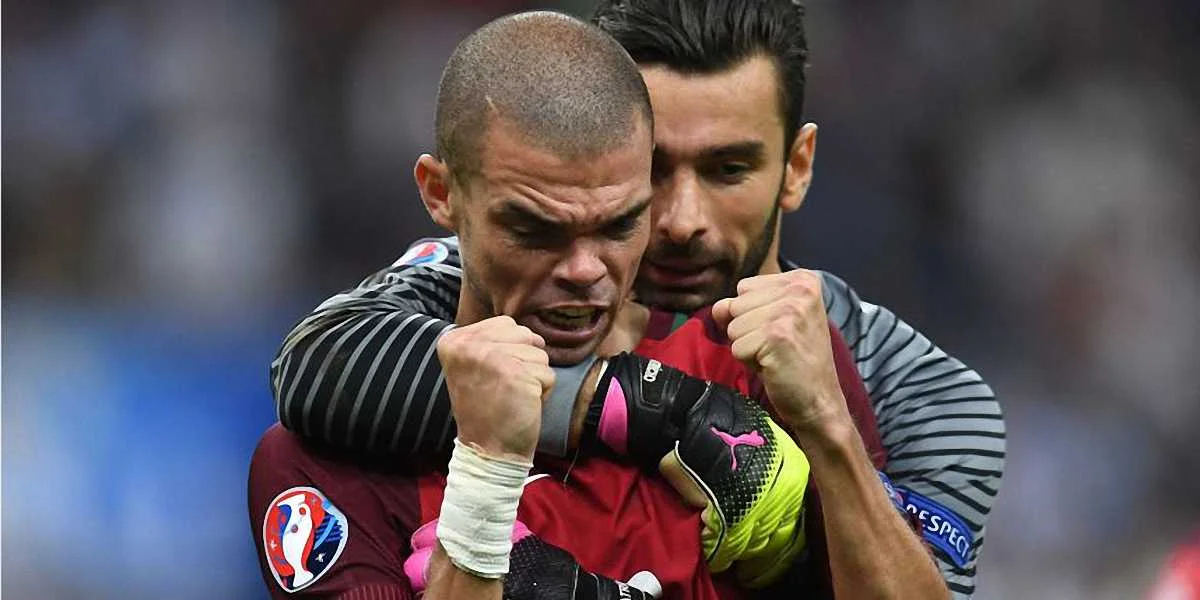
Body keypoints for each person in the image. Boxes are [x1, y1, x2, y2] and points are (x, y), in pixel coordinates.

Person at [272, 0, 1005, 597]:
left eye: (727, 168)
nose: (680, 221)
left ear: (797, 166)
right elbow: (315, 362)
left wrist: (827, 430)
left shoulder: (918, 397)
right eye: (654, 172)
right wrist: (648, 405)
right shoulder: (487, 274)